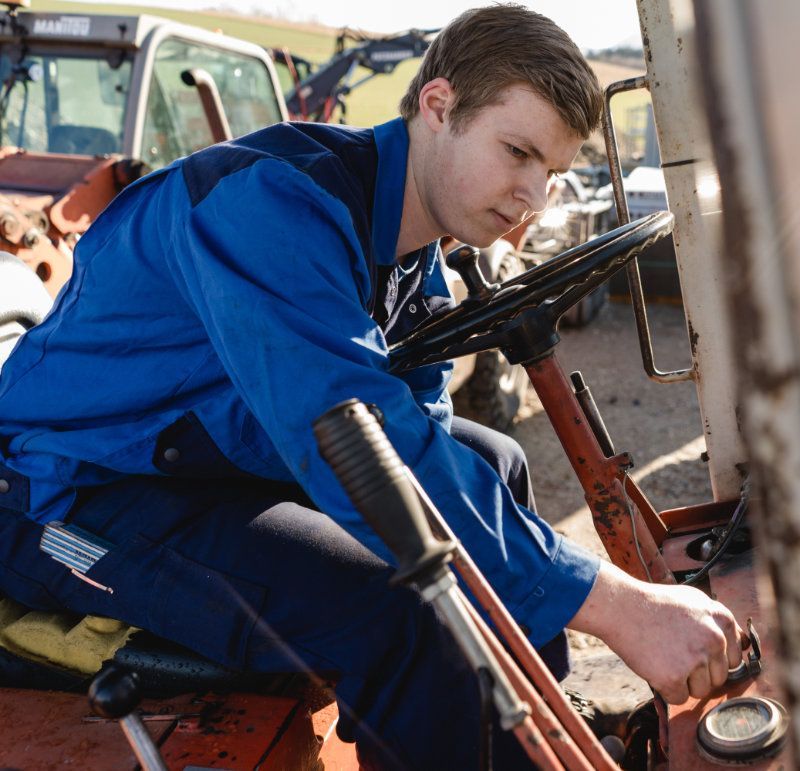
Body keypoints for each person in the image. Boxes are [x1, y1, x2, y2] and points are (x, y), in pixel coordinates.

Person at [0, 5, 743, 767]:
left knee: (495, 461)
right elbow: (354, 432)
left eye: (550, 172)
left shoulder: (407, 250)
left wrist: (578, 587)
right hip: (68, 490)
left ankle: (535, 730)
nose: (534, 196)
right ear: (439, 106)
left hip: (207, 455)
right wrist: (617, 605)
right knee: (401, 608)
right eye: (518, 152)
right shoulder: (271, 205)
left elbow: (419, 433)